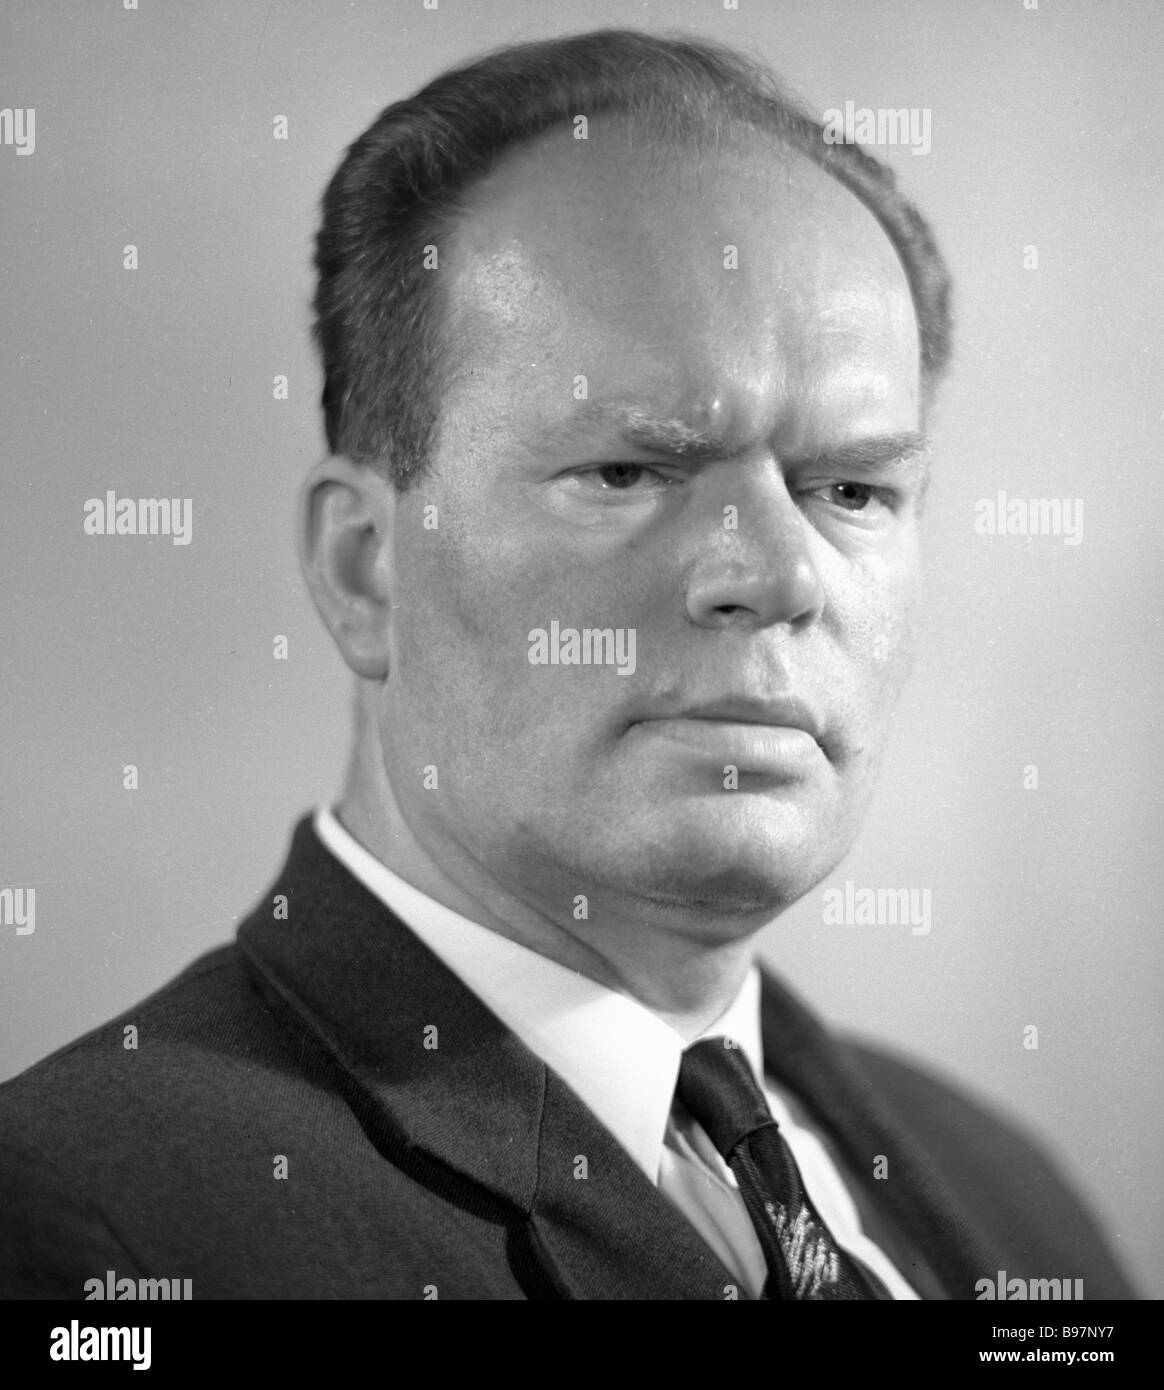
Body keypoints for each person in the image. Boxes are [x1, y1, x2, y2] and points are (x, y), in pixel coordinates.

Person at [0, 28, 1133, 1301]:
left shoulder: (1019, 1203)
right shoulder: (93, 1233)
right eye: (629, 471)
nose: (778, 572)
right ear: (367, 567)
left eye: (853, 489)